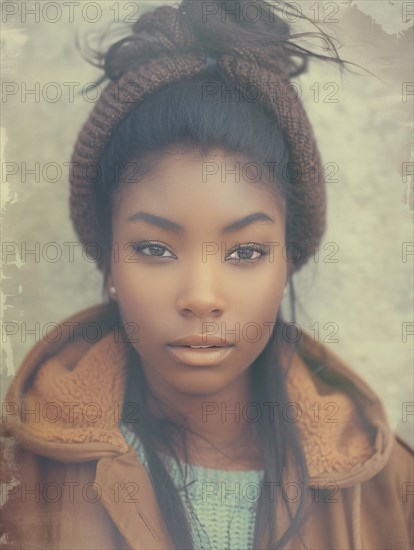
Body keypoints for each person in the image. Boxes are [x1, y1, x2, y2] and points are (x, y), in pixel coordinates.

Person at [1, 1, 413, 549]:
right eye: (154, 248)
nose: (200, 297)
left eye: (245, 252)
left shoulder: (385, 487)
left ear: (289, 257)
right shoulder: (19, 473)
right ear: (109, 260)